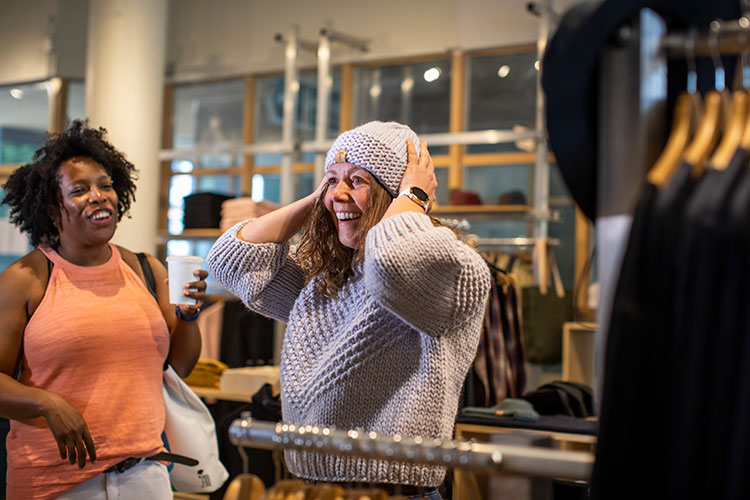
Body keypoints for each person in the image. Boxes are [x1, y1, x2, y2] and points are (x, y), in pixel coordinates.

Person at [206, 121, 491, 499]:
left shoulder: (452, 268)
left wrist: (415, 194)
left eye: (358, 181)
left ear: (396, 193)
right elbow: (231, 259)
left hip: (396, 492)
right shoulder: (329, 278)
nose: (339, 194)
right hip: (313, 488)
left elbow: (390, 261)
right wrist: (321, 197)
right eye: (331, 180)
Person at [0, 120, 206, 500]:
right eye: (79, 190)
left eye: (106, 185)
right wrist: (45, 402)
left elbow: (179, 369)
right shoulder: (26, 279)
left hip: (146, 475)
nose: (98, 196)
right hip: (55, 482)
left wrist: (189, 319)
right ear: (52, 206)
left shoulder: (146, 270)